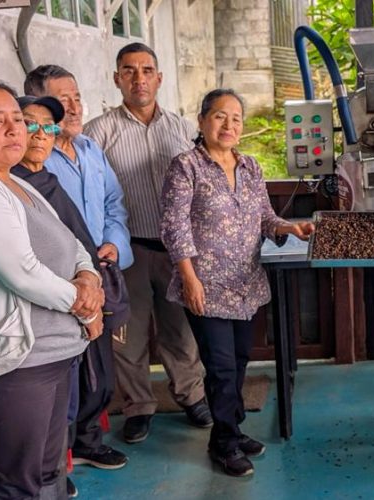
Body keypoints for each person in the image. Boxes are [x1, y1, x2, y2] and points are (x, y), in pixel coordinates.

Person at [0, 79, 104, 499]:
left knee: (51, 471)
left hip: (55, 351)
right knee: (18, 480)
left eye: (17, 119)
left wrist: (89, 277)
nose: (15, 130)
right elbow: (22, 273)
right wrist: (86, 307)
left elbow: (72, 243)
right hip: (19, 363)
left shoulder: (17, 182)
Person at [162, 89, 313, 477]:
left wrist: (290, 227)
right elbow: (174, 228)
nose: (228, 125)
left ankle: (230, 429)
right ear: (201, 121)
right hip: (206, 286)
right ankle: (225, 444)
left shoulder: (250, 166)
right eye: (219, 116)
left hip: (246, 283)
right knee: (222, 368)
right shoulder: (186, 166)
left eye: (236, 118)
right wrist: (189, 278)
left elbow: (266, 217)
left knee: (241, 360)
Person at [84, 43, 213, 442]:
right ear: (117, 78)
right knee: (129, 333)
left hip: (178, 253)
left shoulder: (181, 129)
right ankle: (138, 406)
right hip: (127, 251)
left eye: (147, 70)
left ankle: (192, 395)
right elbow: (91, 194)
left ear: (159, 77)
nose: (139, 78)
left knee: (181, 331)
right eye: (129, 70)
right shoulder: (98, 133)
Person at [11, 94, 130, 496]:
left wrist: (94, 286)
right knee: (53, 409)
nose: (41, 135)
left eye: (49, 127)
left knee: (88, 386)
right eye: (31, 125)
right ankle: (55, 472)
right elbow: (28, 265)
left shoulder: (48, 177)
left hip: (83, 301)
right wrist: (83, 305)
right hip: (55, 313)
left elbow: (76, 241)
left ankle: (65, 465)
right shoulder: (8, 185)